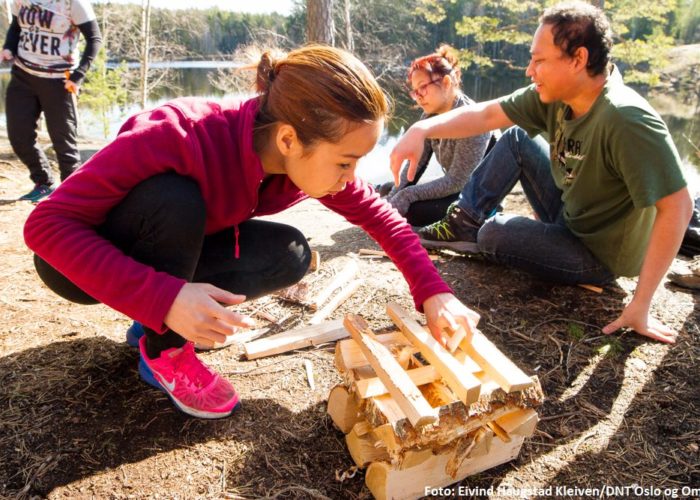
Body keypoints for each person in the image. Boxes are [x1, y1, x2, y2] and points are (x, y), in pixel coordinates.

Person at [24, 45, 479, 420]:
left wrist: (434, 292)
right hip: (76, 260)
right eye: (345, 162)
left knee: (291, 252)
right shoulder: (176, 135)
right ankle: (165, 348)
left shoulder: (297, 154)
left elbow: (383, 220)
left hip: (159, 251)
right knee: (176, 199)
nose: (351, 177)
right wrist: (166, 298)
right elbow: (46, 225)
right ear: (287, 140)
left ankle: (149, 318)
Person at [390, 1, 693, 344]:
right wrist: (422, 130)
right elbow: (487, 115)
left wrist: (642, 303)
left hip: (600, 255)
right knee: (517, 136)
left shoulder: (627, 120)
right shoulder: (556, 96)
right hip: (572, 213)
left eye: (539, 60)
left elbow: (678, 207)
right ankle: (464, 221)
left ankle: (482, 230)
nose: (529, 71)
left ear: (578, 59)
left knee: (493, 235)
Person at [377, 45, 494, 227]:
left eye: (422, 87)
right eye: (415, 91)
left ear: (446, 82)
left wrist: (407, 195)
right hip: (455, 188)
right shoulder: (429, 116)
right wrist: (392, 199)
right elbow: (415, 167)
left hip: (476, 198)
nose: (418, 97)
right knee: (390, 188)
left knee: (412, 210)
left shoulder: (473, 120)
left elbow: (457, 181)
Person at [2, 0, 102, 202]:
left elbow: (94, 39)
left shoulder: (72, 3)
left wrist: (79, 75)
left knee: (64, 142)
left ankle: (70, 194)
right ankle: (43, 183)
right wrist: (9, 48)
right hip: (24, 75)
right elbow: (16, 27)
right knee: (19, 135)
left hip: (60, 81)